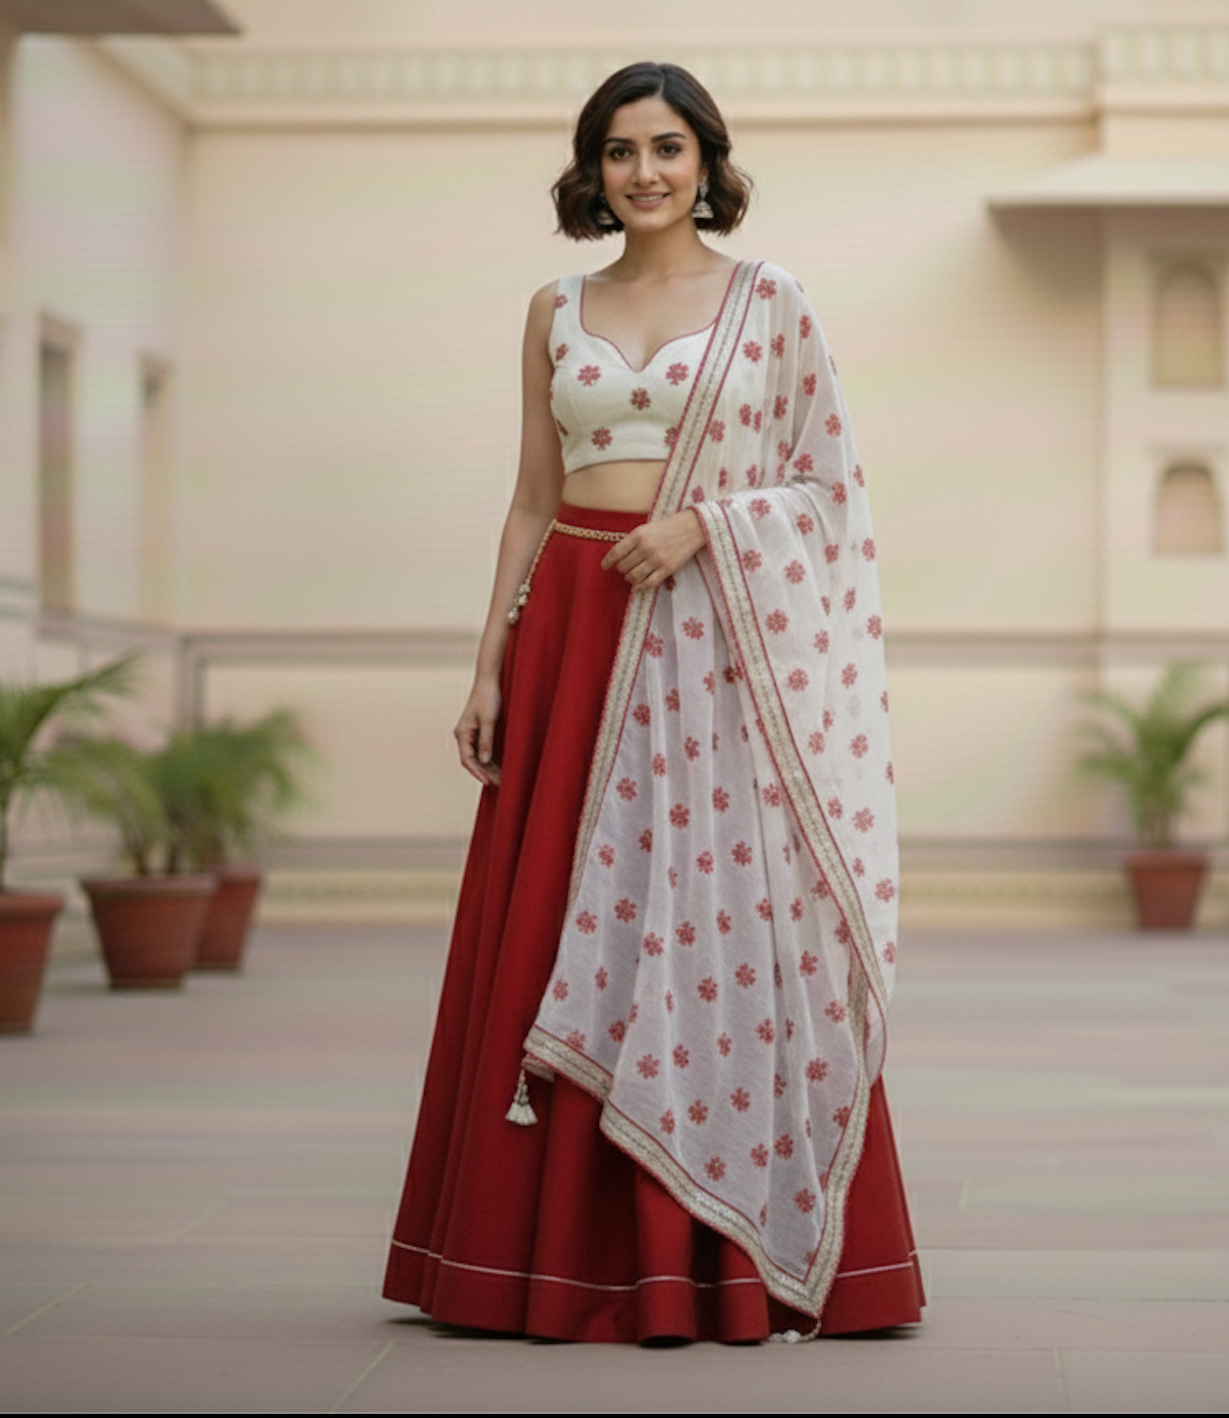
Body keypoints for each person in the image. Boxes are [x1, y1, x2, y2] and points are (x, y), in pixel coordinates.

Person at [383, 60, 923, 1344]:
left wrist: (703, 524)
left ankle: (733, 1258)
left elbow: (828, 488)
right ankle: (533, 1260)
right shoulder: (552, 307)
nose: (644, 173)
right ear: (592, 168)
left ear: (707, 162)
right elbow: (528, 492)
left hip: (709, 639)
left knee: (712, 913)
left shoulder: (768, 303)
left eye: (667, 149)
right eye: (620, 150)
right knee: (553, 915)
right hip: (573, 624)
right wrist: (488, 661)